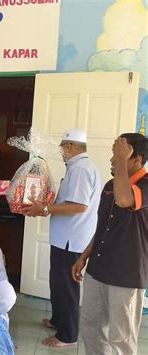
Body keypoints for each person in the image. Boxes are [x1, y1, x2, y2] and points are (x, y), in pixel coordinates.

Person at [21, 128, 102, 348]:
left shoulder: (82, 169)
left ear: (70, 147)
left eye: (62, 146)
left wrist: (46, 208)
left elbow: (79, 205)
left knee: (66, 286)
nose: (60, 150)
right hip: (64, 238)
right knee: (57, 281)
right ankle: (59, 320)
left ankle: (68, 335)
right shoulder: (76, 167)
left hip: (72, 240)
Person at [72, 133, 148, 354]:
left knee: (121, 339)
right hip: (97, 270)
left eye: (118, 157)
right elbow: (103, 228)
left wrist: (121, 159)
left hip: (125, 276)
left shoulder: (145, 185)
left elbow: (125, 200)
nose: (113, 161)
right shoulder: (109, 185)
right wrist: (83, 256)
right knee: (90, 326)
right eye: (113, 156)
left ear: (137, 159)